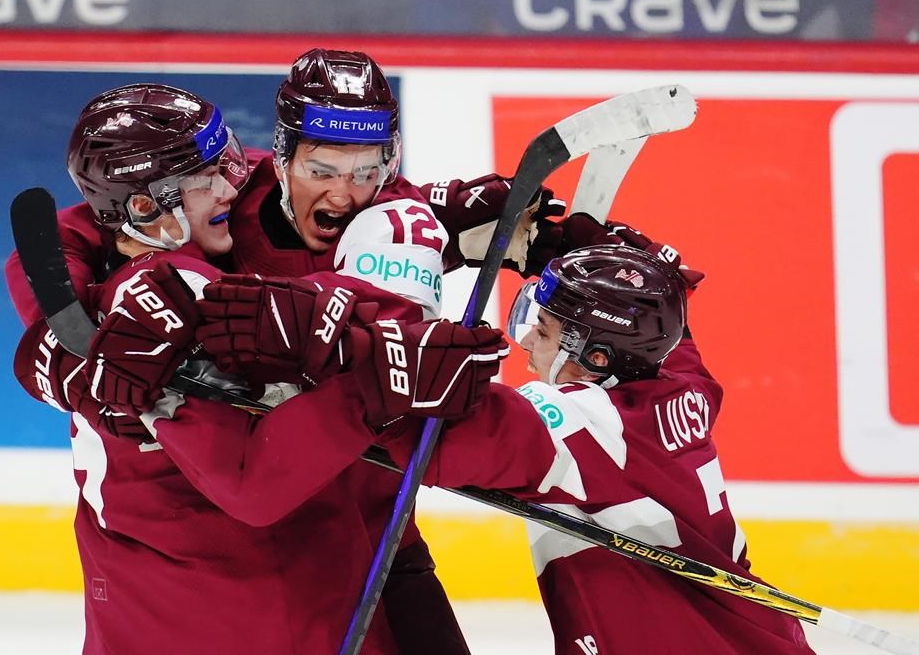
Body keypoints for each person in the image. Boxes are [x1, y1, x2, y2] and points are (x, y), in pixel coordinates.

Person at [7, 47, 581, 654]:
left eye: (369, 170)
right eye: (324, 168)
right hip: (214, 577)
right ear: (284, 158)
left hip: (360, 535)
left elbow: (392, 339)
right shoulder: (162, 295)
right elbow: (72, 236)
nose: (346, 193)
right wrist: (64, 332)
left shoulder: (338, 211)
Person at [226, 234, 814, 653]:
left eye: (549, 330)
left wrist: (338, 365)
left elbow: (442, 439)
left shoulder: (582, 425)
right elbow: (673, 321)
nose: (529, 338)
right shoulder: (681, 385)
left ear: (597, 357)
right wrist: (622, 254)